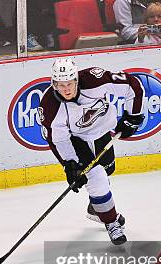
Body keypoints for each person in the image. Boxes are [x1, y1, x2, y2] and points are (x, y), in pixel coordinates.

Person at [39, 58, 145, 245]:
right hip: (76, 140)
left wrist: (133, 116)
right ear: (53, 83)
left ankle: (96, 207)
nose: (66, 89)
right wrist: (70, 165)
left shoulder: (94, 80)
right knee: (97, 178)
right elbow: (58, 140)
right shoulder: (49, 106)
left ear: (77, 80)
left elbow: (132, 84)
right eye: (61, 85)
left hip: (102, 131)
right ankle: (111, 222)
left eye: (70, 83)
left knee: (107, 171)